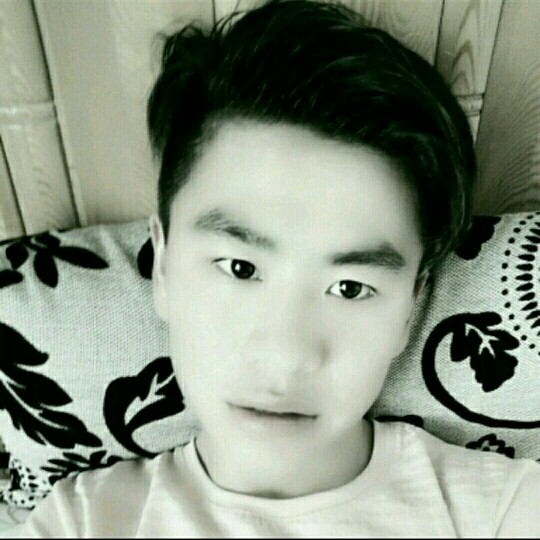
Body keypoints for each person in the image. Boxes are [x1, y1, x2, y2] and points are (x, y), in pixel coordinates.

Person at [14, 0, 540, 537]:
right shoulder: (82, 523)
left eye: (350, 287)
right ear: (164, 264)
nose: (286, 358)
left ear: (412, 305)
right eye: (240, 268)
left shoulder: (506, 512)